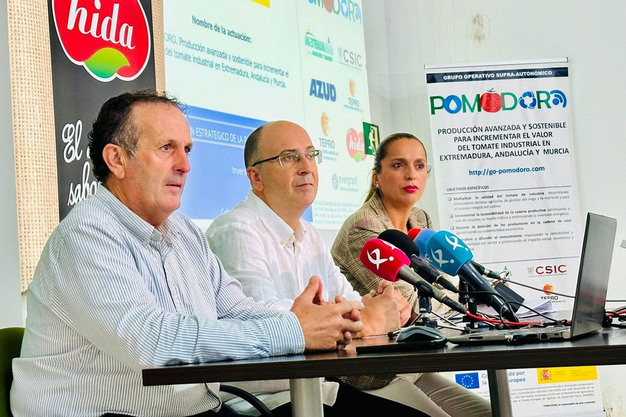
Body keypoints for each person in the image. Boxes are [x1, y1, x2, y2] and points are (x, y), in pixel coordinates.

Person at [10, 91, 369, 417]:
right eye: (167, 148)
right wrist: (293, 329)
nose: (185, 165)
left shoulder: (184, 233)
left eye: (187, 149)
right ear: (116, 160)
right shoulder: (87, 235)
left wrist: (321, 320)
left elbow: (238, 310)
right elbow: (153, 342)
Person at [206, 121, 486, 417]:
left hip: (320, 388)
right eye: (289, 157)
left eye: (310, 155)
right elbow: (263, 324)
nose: (306, 167)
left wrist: (371, 309)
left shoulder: (310, 234)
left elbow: (352, 300)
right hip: (266, 401)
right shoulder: (236, 230)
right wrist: (367, 318)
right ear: (256, 177)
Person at [331, 133, 492, 417]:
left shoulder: (420, 220)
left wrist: (465, 297)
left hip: (411, 363)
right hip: (370, 374)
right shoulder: (364, 228)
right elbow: (413, 308)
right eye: (398, 165)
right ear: (376, 177)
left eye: (419, 166)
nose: (411, 175)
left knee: (488, 413)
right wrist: (456, 302)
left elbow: (438, 292)